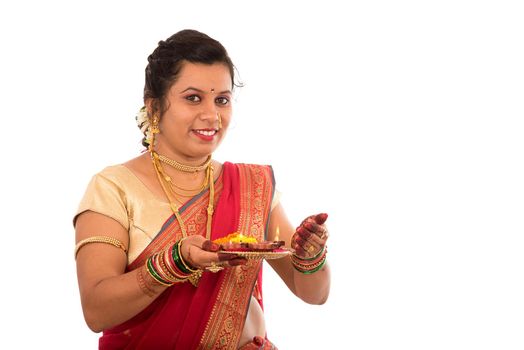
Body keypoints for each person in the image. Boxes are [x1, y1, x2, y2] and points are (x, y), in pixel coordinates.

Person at [74, 29, 331, 350]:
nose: (211, 115)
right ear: (154, 108)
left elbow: (313, 293)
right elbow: (97, 311)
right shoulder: (114, 188)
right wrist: (175, 263)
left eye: (221, 99)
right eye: (193, 98)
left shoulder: (253, 186)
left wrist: (310, 257)